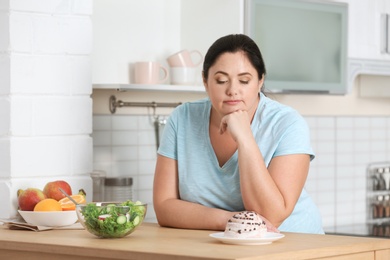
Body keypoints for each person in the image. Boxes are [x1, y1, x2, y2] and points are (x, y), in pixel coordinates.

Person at [153, 34, 324, 234]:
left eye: (244, 81)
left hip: (294, 245)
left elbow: (271, 216)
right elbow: (164, 207)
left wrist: (245, 139)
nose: (233, 90)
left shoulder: (288, 124)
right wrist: (231, 220)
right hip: (220, 246)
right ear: (205, 81)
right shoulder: (182, 118)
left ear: (260, 81)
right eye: (221, 80)